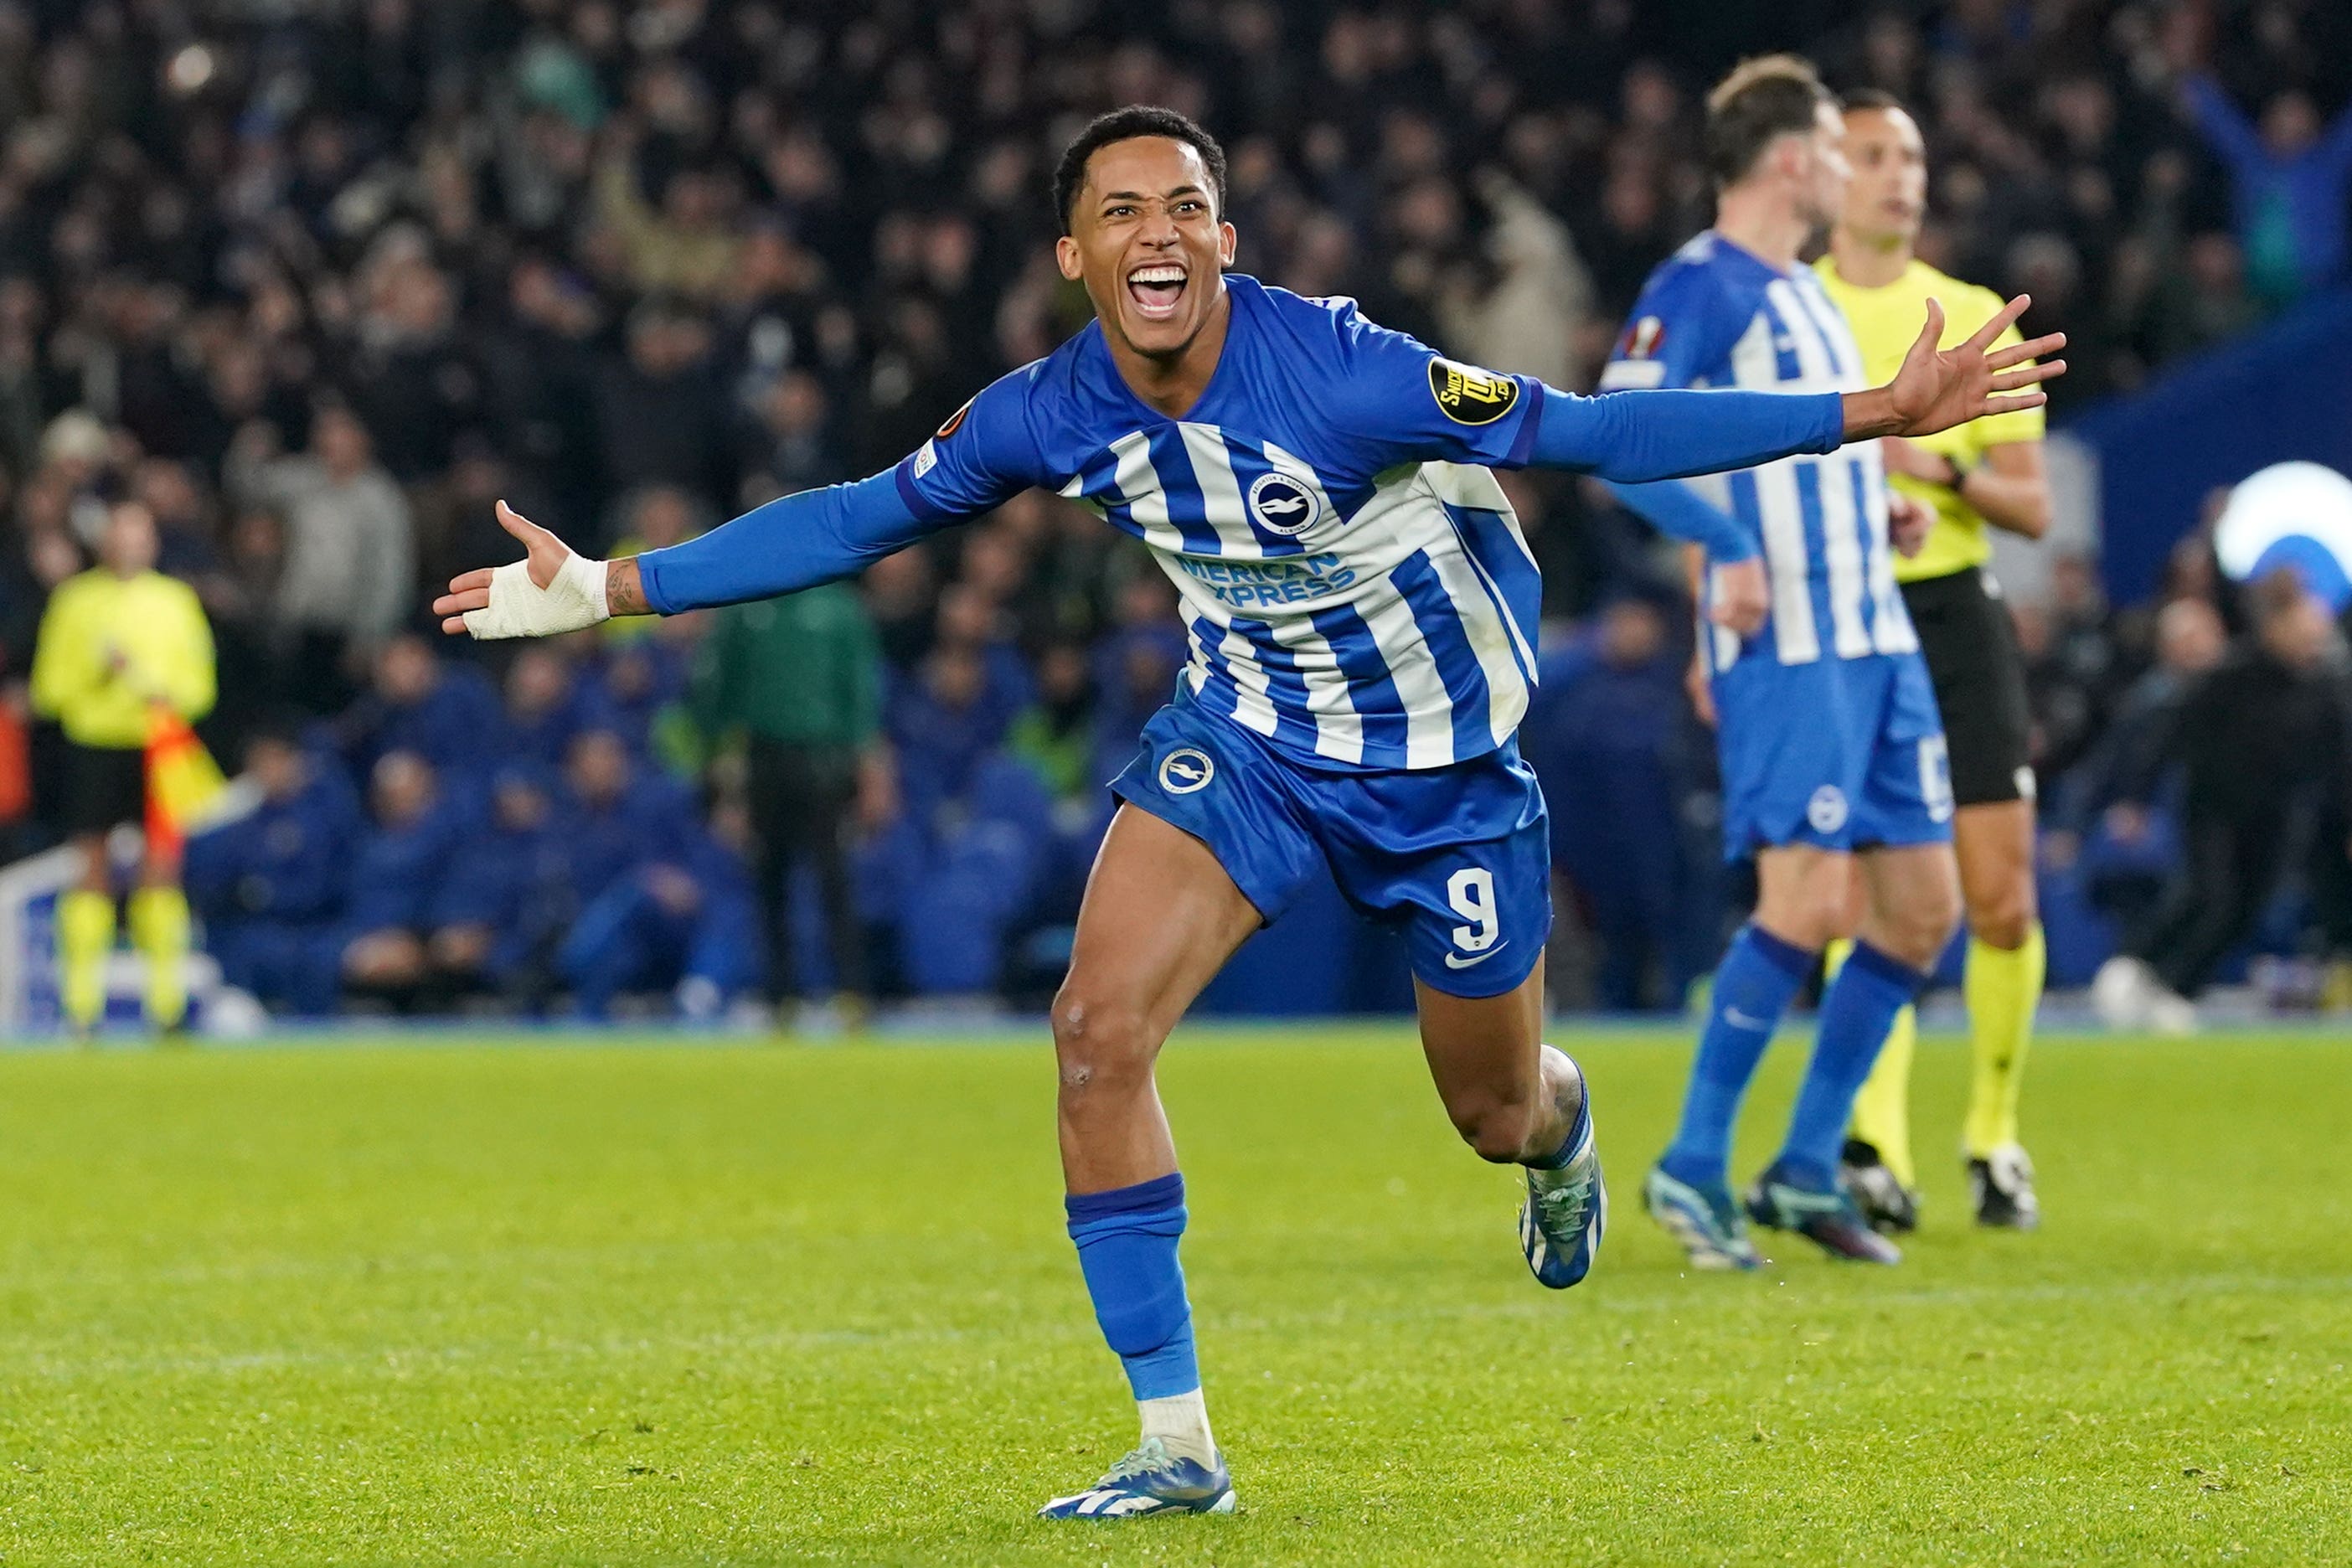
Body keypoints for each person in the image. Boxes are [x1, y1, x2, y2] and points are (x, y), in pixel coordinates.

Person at [433, 106, 2058, 1519]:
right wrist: (610, 590)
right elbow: (863, 518)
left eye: (1186, 208)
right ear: (1073, 255)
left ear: (1226, 241)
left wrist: (1870, 413)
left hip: (1445, 778)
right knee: (1093, 1029)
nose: (1159, 233)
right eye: (1121, 212)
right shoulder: (1049, 409)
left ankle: (1564, 1135)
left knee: (1491, 1109)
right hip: (1253, 745)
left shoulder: (1345, 373)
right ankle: (1174, 1440)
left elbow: (1588, 427)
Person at [1602, 58, 2054, 1269]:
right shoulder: (1701, 284)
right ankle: (1693, 1167)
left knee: (1921, 914)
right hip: (1789, 646)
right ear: (1795, 158)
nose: (1858, 173)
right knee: (1808, 904)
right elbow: (1619, 431)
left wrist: (1879, 511)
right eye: (1841, 150)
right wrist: (1722, 544)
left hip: (1877, 633)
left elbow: (1814, 444)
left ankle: (1805, 1166)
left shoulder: (1801, 298)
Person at [1813, 90, 2055, 1233]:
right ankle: (1878, 1146)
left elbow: (2036, 508)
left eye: (1910, 154)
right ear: (1827, 173)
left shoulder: (1970, 313)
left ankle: (1995, 1140)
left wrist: (1937, 474)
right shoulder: (1791, 310)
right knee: (1871, 900)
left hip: (1955, 612)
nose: (1899, 175)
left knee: (2000, 900)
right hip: (1841, 617)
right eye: (1872, 155)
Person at [2092, 571, 2352, 1031]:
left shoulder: (2327, 688)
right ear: (2274, 625)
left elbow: (2341, 763)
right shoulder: (2228, 676)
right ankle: (2136, 966)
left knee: (2246, 910)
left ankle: (2178, 988)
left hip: (2278, 817)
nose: (2313, 633)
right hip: (2213, 808)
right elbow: (2172, 737)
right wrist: (2137, 798)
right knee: (2210, 896)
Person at [28, 502, 216, 1034]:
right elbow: (48, 690)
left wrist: (161, 688)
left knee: (163, 865)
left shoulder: (175, 600)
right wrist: (98, 674)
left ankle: (166, 1004)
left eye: (139, 534)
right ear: (105, 542)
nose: (129, 544)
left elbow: (201, 686)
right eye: (119, 534)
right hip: (94, 743)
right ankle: (81, 1007)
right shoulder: (75, 600)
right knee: (91, 865)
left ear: (152, 542)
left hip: (157, 745)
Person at [690, 577, 881, 1025]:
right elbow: (720, 693)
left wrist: (870, 765)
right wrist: (724, 769)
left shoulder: (838, 608)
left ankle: (851, 992)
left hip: (826, 756)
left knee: (834, 877)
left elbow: (861, 691)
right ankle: (782, 996)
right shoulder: (745, 607)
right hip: (764, 755)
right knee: (769, 877)